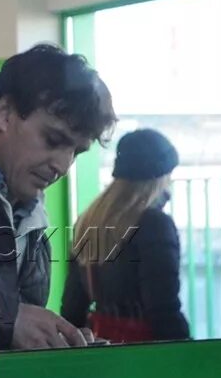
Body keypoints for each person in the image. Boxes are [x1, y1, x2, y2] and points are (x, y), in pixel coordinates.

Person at [0, 44, 117, 350]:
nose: (62, 165)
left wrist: (59, 342)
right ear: (5, 113)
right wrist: (7, 320)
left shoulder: (29, 218)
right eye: (53, 140)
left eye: (76, 152)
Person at [61, 129, 191, 343]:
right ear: (159, 176)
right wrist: (190, 358)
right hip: (144, 358)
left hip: (103, 351)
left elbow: (73, 309)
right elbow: (163, 309)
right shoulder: (154, 225)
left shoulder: (89, 221)